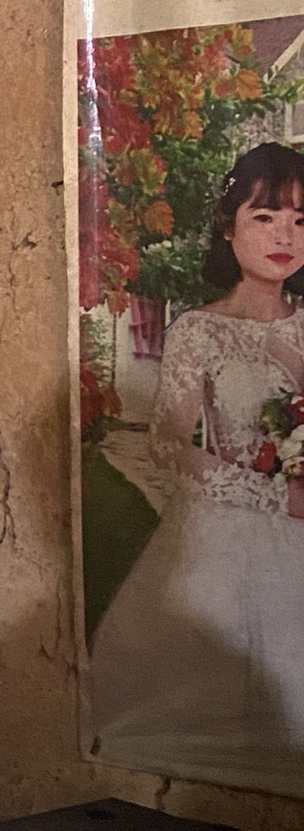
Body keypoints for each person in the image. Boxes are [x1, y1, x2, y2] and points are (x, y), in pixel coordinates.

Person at [89, 140, 304, 790]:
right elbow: (168, 444)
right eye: (265, 216)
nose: (285, 236)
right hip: (232, 529)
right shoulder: (200, 331)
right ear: (228, 226)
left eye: (300, 220)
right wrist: (275, 496)